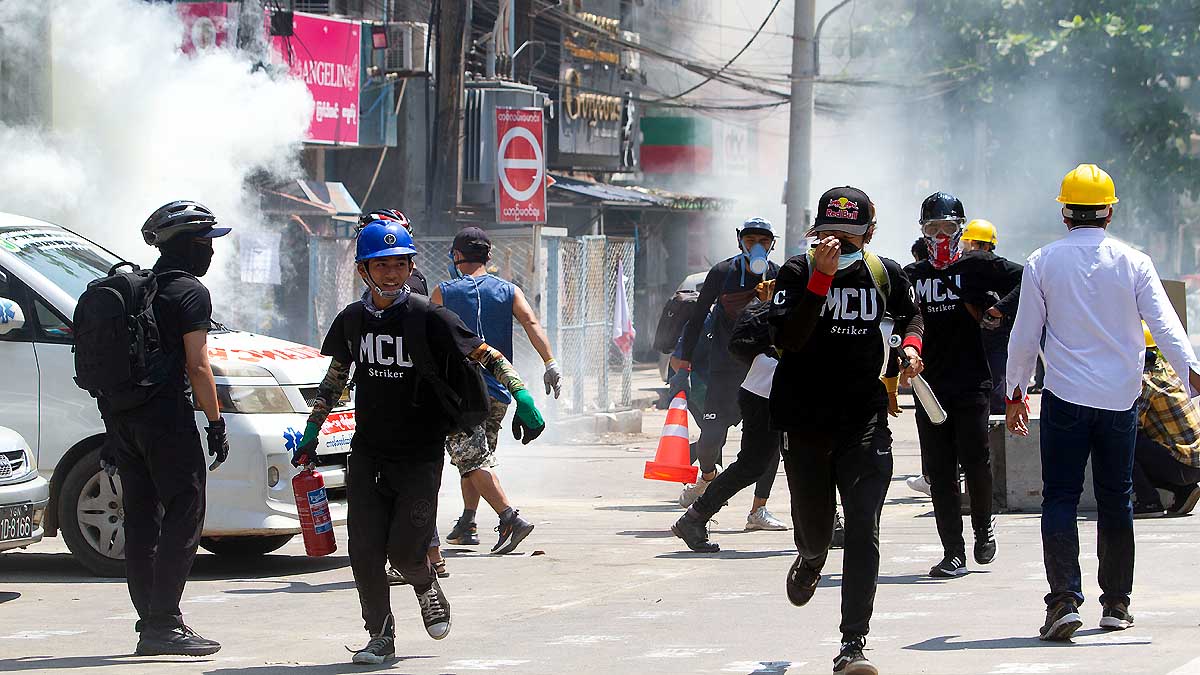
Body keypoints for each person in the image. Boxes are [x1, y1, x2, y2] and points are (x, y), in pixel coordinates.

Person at [291, 221, 546, 664]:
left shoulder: (429, 316)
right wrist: (313, 430)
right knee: (365, 551)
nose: (392, 274)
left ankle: (425, 585)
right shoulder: (352, 320)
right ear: (363, 271)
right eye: (382, 266)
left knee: (405, 553)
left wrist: (522, 395)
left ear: (411, 267)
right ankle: (380, 636)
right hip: (367, 451)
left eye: (400, 265)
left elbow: (486, 355)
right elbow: (334, 379)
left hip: (420, 455)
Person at [1006, 164, 1200, 641]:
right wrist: (1193, 374)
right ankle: (1115, 604)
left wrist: (1014, 393)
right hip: (1120, 401)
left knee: (1061, 498)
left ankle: (1064, 602)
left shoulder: (1042, 261)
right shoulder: (1135, 262)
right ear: (1110, 211)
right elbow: (1167, 324)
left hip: (1065, 399)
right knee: (1117, 500)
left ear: (1065, 213)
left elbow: (1024, 336)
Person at [769, 186, 924, 674]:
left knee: (862, 525)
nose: (837, 245)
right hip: (805, 419)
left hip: (864, 417)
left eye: (849, 237)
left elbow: (909, 314)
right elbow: (788, 337)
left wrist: (912, 347)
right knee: (815, 532)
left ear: (869, 235)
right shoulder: (796, 272)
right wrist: (820, 280)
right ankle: (811, 558)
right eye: (828, 236)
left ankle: (853, 645)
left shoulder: (883, 274)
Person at [100, 201, 229, 656]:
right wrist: (216, 423)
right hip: (165, 416)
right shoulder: (190, 292)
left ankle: (150, 620)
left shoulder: (139, 288)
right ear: (191, 245)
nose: (211, 252)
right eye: (206, 243)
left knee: (142, 515)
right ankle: (164, 623)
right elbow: (198, 365)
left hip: (121, 416)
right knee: (186, 509)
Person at [904, 195, 1021, 578]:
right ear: (922, 231)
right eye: (932, 229)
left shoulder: (978, 266)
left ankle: (983, 528)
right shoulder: (913, 275)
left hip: (972, 380)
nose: (940, 237)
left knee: (976, 460)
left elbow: (1026, 279)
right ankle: (952, 550)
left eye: (948, 229)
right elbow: (896, 317)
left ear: (961, 230)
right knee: (939, 471)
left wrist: (999, 308)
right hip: (929, 387)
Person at [430, 227, 562, 555]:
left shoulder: (443, 292)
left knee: (471, 458)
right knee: (476, 457)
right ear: (489, 257)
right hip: (498, 391)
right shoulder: (509, 290)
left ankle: (509, 518)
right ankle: (467, 522)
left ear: (456, 256)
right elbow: (531, 323)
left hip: (460, 393)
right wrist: (550, 362)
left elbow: (427, 340)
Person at [669, 218, 780, 510]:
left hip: (762, 372)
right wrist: (684, 362)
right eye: (750, 240)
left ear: (772, 244)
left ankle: (759, 509)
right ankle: (707, 477)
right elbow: (696, 318)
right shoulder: (722, 272)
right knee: (711, 439)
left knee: (768, 446)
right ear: (740, 241)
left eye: (764, 241)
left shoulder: (778, 274)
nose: (757, 246)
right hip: (724, 368)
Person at [670, 278, 788, 552]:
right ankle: (695, 517)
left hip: (768, 389)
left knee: (773, 462)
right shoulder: (802, 298)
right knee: (767, 462)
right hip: (769, 392)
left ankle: (694, 518)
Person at [1132, 324, 1200, 518]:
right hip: (1194, 462)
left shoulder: (1144, 380)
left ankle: (1148, 501)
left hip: (1183, 466)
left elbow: (1128, 424)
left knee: (1119, 441)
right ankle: (1184, 491)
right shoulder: (1168, 369)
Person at [960, 219, 1020, 415]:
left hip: (997, 333)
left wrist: (999, 309)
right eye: (966, 244)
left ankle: (998, 420)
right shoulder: (965, 265)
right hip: (972, 333)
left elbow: (1028, 279)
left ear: (986, 246)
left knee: (997, 377)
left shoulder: (997, 265)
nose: (968, 249)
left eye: (973, 244)